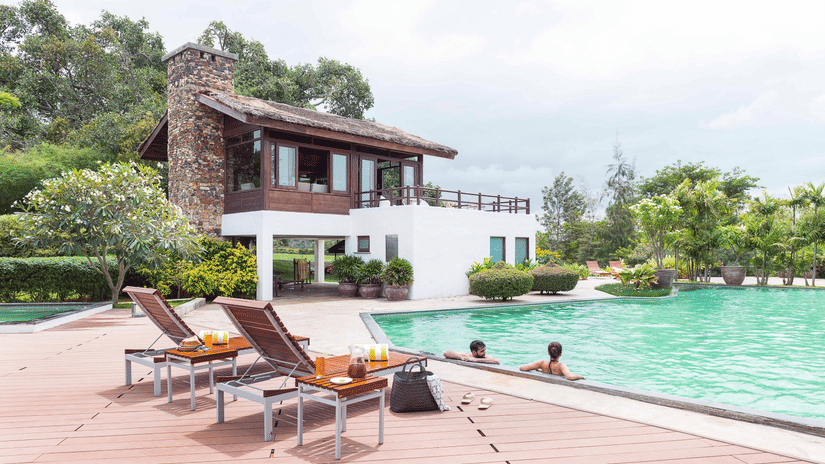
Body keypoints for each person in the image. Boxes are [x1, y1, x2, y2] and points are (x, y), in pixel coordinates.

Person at [519, 341, 585, 380]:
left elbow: (522, 368)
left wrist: (538, 369)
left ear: (548, 352)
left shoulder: (542, 363)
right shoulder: (561, 365)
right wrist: (581, 376)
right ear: (561, 354)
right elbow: (570, 376)